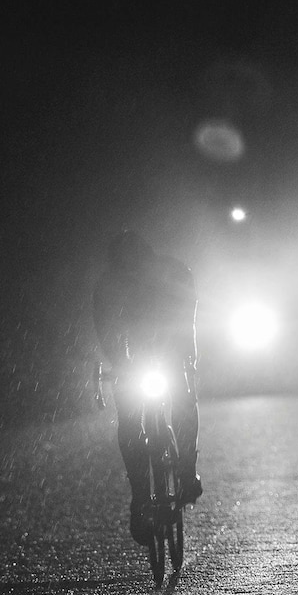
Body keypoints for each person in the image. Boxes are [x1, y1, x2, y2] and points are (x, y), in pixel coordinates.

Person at [93, 230, 203, 545]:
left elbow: (187, 318)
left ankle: (186, 469)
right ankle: (140, 496)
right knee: (129, 418)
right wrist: (119, 363)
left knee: (182, 396)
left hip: (169, 344)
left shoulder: (175, 274)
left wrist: (187, 358)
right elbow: (107, 330)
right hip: (134, 352)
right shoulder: (107, 287)